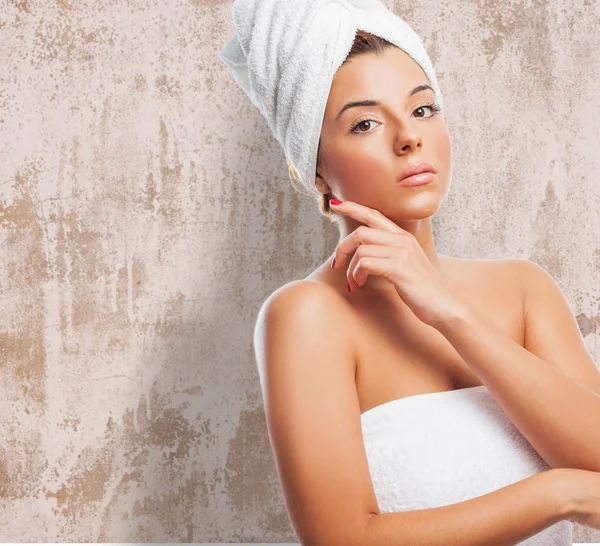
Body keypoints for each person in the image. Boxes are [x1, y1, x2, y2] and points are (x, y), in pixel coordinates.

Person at [219, 1, 600, 544]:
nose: (409, 137)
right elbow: (342, 539)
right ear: (313, 166)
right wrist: (560, 494)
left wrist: (451, 315)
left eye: (423, 109)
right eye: (366, 123)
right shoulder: (307, 317)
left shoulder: (522, 291)